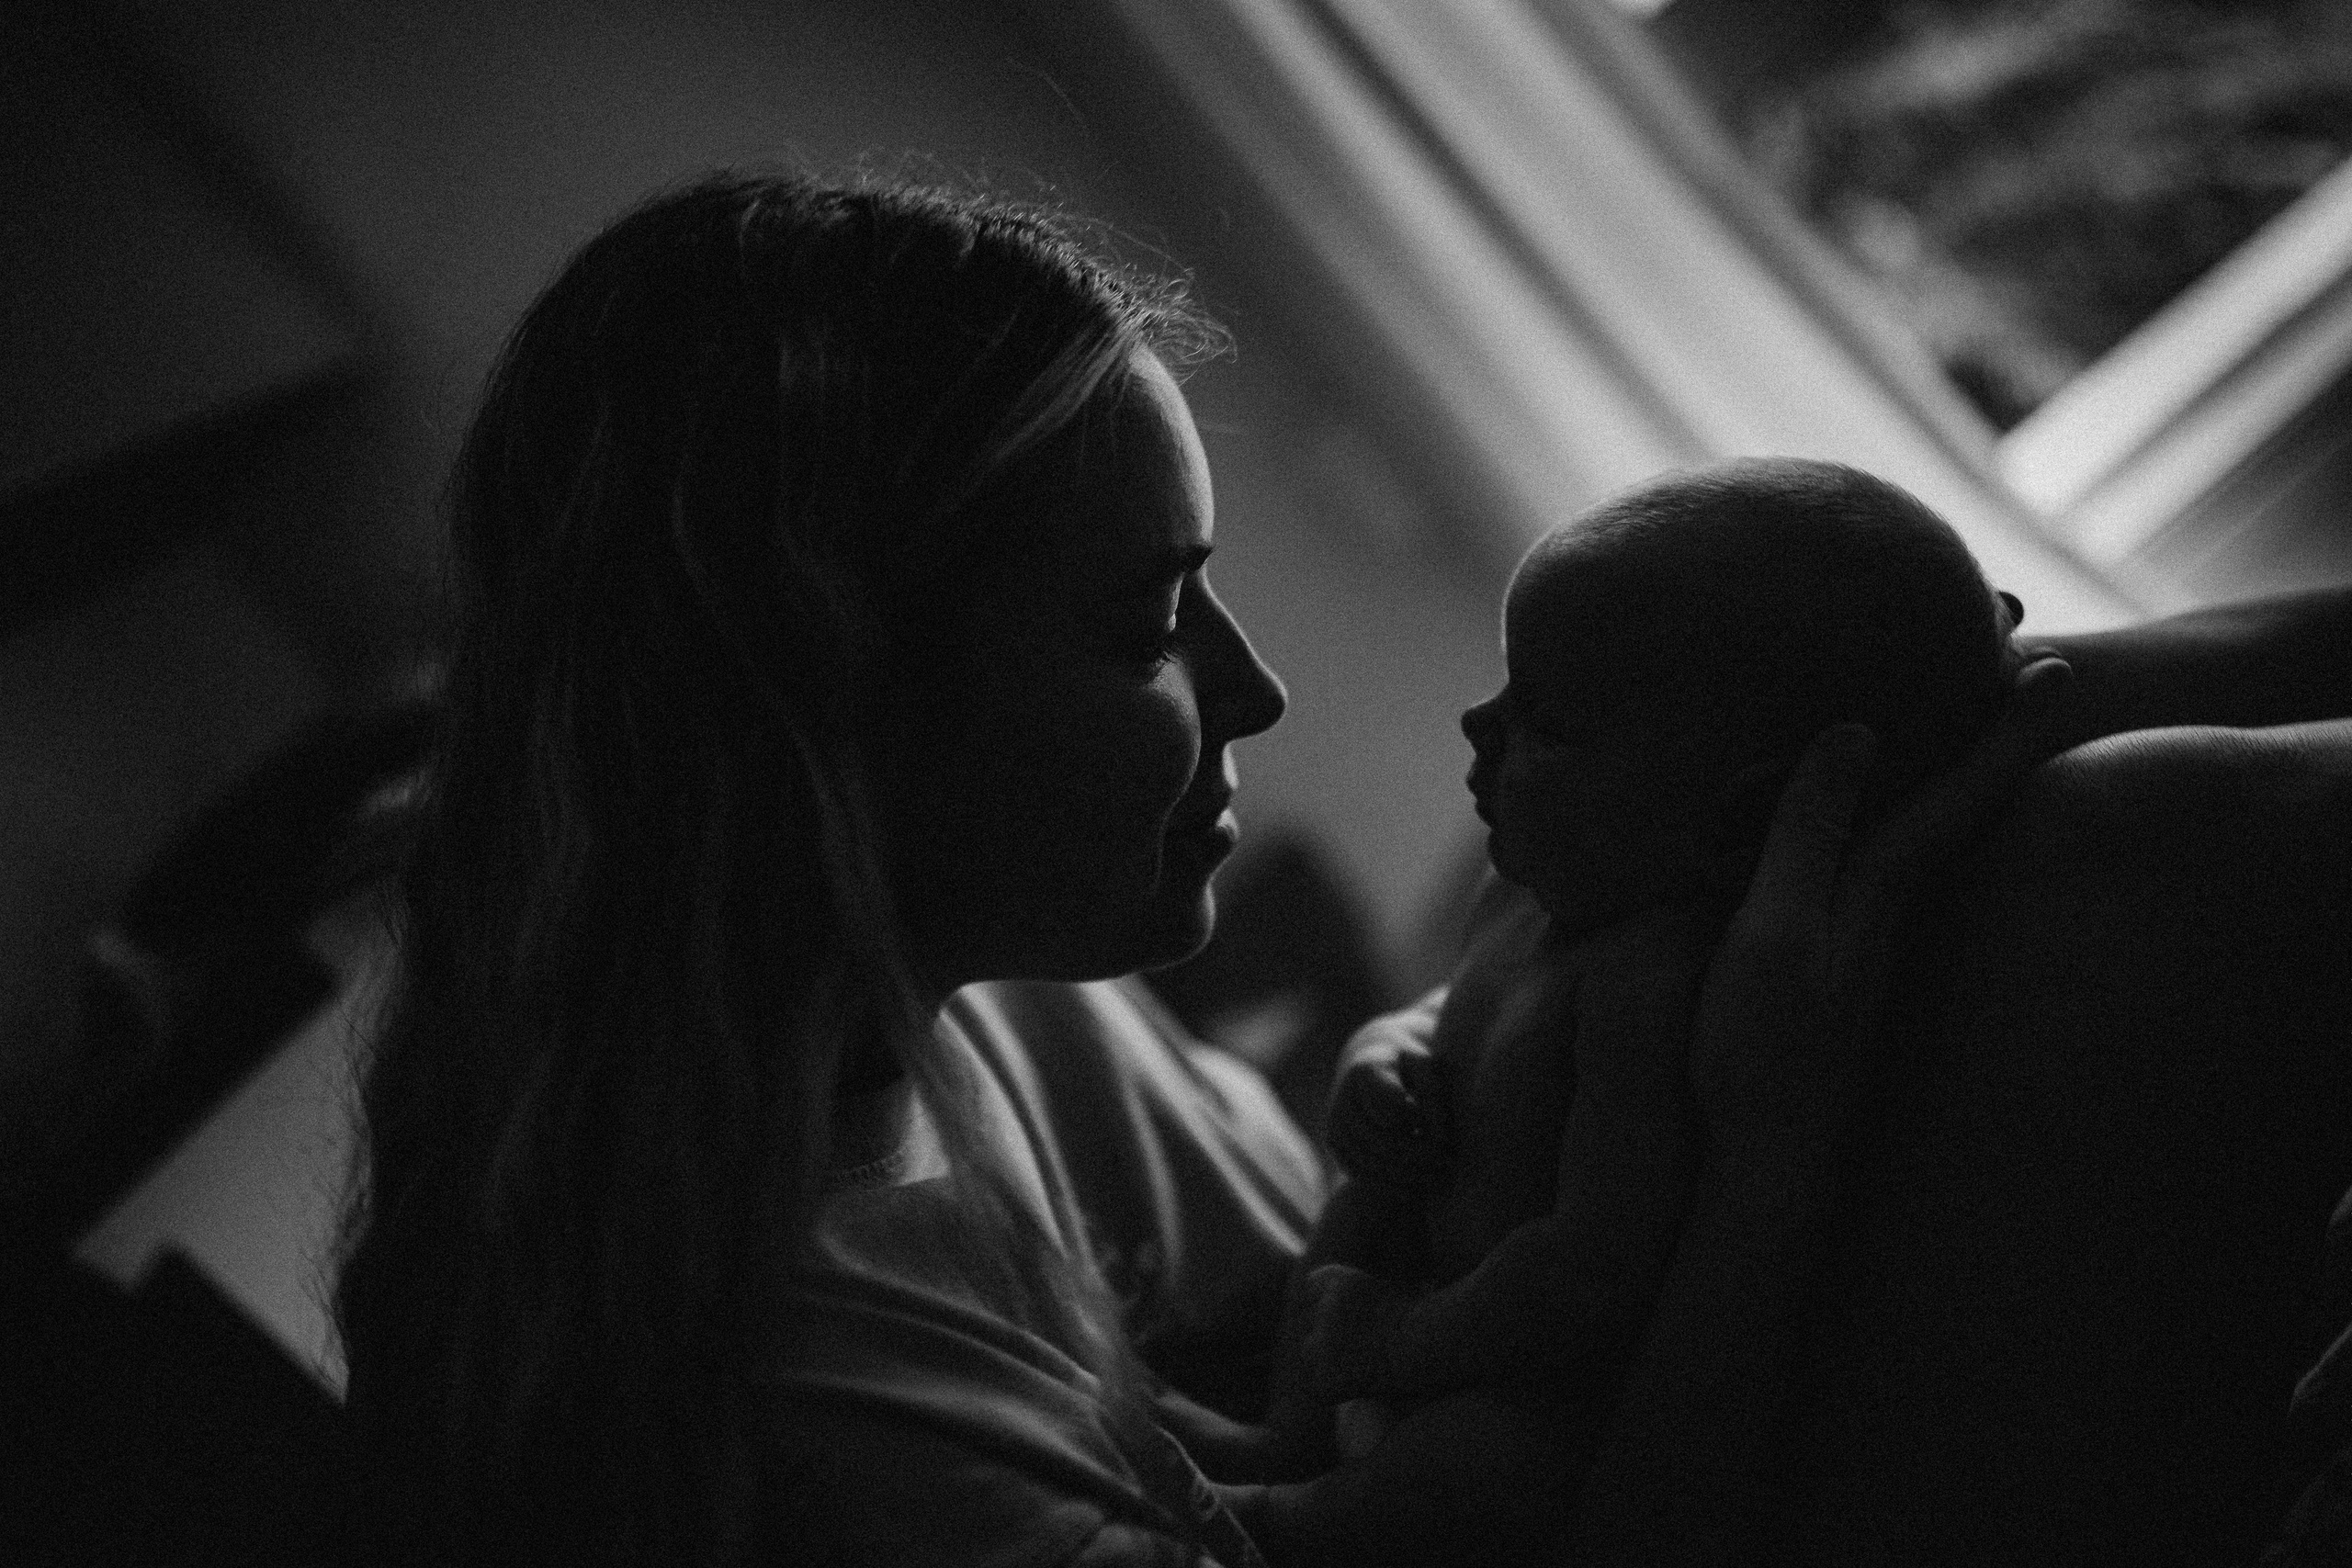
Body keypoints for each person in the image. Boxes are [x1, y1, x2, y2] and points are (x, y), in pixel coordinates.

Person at [328, 170, 2077, 1568]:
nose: (1257, 688)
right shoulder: (822, 1428)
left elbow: (1314, 1292)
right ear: (839, 718)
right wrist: (1771, 1136)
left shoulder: (948, 989)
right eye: (1150, 620)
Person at [1220, 460, 2068, 1562]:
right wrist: (1382, 1054)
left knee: (1502, 1463)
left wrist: (1399, 1343)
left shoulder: (1649, 990)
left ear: (1736, 820)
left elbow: (1587, 1268)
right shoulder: (1527, 891)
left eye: (1544, 720)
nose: (1478, 723)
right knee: (1354, 1208)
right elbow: (1447, 1016)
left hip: (1494, 1365)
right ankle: (1278, 1440)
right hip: (1395, 1317)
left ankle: (1296, 1523)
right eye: (1505, 685)